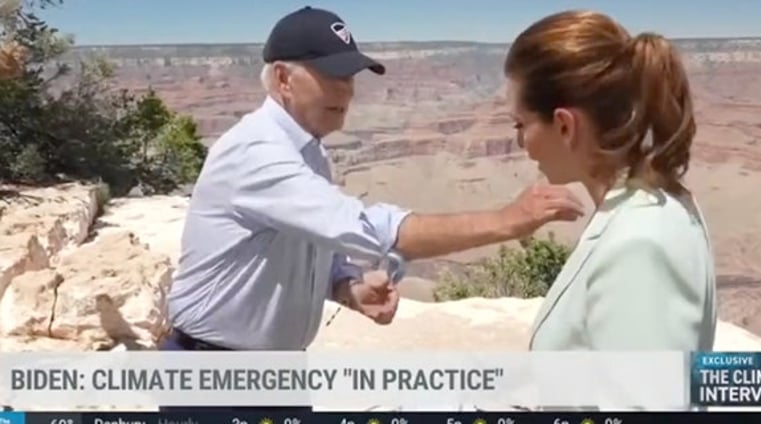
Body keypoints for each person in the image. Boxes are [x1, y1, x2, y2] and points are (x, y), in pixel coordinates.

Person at [158, 6, 585, 414]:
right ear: (284, 79)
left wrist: (346, 285)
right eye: (331, 75)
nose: (346, 90)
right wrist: (506, 221)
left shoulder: (307, 152)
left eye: (350, 76)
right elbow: (366, 229)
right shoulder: (257, 152)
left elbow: (311, 242)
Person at [504, 10, 716, 406]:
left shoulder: (639, 244)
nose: (521, 144)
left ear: (565, 125)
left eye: (520, 125)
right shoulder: (649, 203)